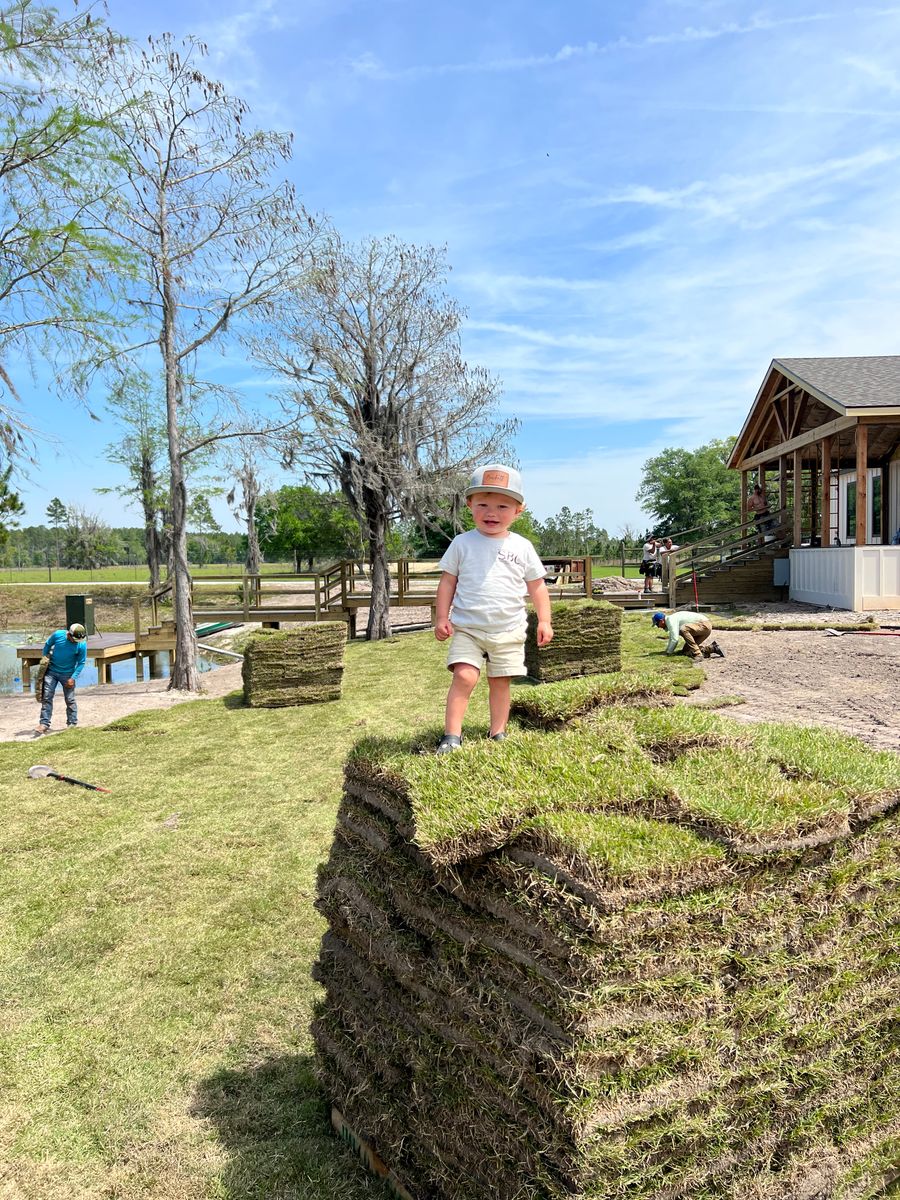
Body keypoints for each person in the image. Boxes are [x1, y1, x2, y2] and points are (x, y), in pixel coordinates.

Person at [434, 464, 553, 753]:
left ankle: (497, 732)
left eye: (502, 506)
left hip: (508, 629)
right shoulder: (462, 543)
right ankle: (452, 737)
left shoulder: (522, 546)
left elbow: (537, 586)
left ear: (518, 511)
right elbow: (447, 583)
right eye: (483, 504)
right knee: (464, 676)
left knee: (500, 682)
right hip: (468, 628)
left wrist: (544, 621)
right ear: (469, 505)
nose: (492, 513)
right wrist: (441, 617)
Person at [37, 622, 88, 734]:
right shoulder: (58, 635)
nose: (76, 642)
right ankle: (44, 723)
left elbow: (81, 662)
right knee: (46, 697)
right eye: (74, 639)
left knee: (69, 699)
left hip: (68, 674)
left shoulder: (82, 644)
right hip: (51, 671)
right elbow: (47, 645)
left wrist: (73, 678)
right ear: (69, 635)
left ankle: (72, 723)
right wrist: (45, 658)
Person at [651, 610, 724, 660]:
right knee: (686, 650)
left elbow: (675, 639)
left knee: (683, 629)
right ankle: (712, 648)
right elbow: (672, 637)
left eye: (657, 624)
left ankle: (698, 654)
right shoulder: (671, 621)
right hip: (702, 628)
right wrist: (667, 651)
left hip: (704, 625)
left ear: (662, 621)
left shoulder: (671, 620)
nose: (658, 627)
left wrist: (668, 653)